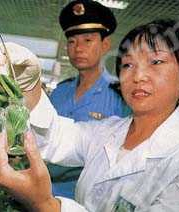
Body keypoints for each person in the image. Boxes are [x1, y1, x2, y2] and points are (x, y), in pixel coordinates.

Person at [0, 19, 179, 211]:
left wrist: (46, 204)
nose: (138, 76)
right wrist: (30, 86)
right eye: (128, 65)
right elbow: (56, 136)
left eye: (156, 62)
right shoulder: (107, 131)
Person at [48, 0, 131, 198]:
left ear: (105, 45)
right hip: (44, 193)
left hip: (89, 200)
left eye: (87, 40)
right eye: (72, 41)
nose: (78, 48)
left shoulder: (121, 96)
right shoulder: (59, 92)